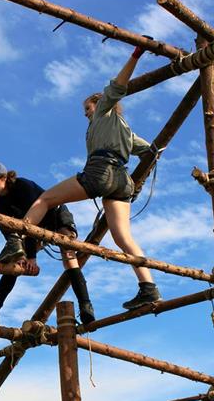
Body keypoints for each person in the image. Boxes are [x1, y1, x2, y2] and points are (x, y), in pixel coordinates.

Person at [22, 42, 162, 310]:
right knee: (124, 238)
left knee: (45, 199)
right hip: (123, 180)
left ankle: (19, 241)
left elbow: (118, 85)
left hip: (102, 172)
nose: (86, 114)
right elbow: (150, 150)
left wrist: (135, 54)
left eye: (87, 108)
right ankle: (148, 287)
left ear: (98, 104)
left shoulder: (105, 110)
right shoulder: (125, 130)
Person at [0, 161, 95, 326]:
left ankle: (86, 306)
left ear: (4, 177)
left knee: (68, 255)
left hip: (55, 217)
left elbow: (31, 225)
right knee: (13, 260)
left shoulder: (23, 186)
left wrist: (32, 258)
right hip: (29, 229)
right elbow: (8, 229)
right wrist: (19, 253)